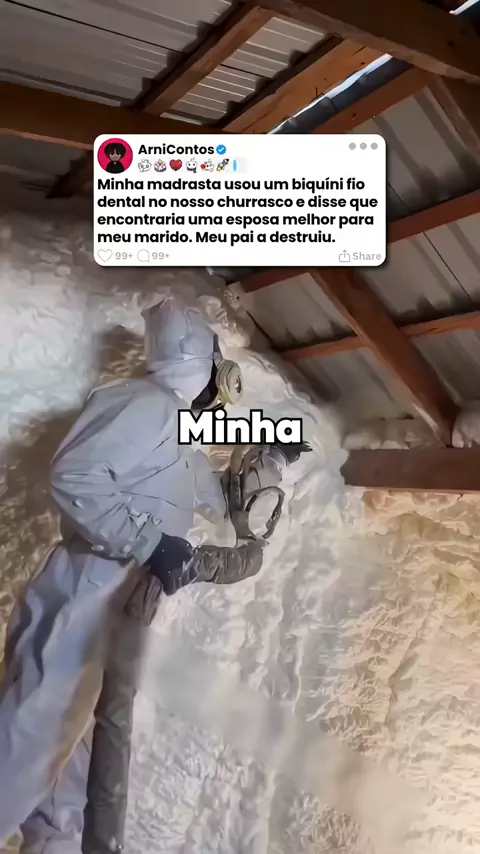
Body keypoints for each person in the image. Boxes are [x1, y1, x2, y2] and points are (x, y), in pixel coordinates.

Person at [0, 295, 311, 853]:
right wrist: (149, 543)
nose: (222, 382)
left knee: (73, 759)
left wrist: (270, 456)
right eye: (217, 366)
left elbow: (213, 500)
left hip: (120, 598)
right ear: (199, 364)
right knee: (31, 740)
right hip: (87, 588)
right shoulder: (143, 404)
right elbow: (75, 475)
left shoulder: (176, 425)